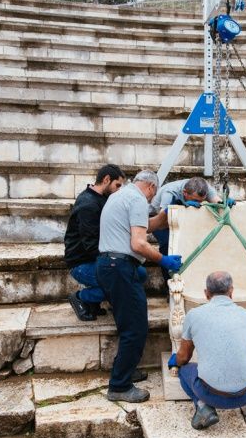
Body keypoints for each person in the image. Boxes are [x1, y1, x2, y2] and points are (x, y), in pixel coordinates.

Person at [97, 170, 183, 403]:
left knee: (128, 325)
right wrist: (163, 259)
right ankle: (119, 386)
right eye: (151, 197)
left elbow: (146, 226)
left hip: (109, 265)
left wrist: (165, 215)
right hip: (120, 267)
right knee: (135, 328)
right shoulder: (137, 199)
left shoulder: (121, 195)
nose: (150, 202)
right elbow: (138, 243)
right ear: (151, 188)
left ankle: (125, 370)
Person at [169, 271, 246, 430]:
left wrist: (175, 361)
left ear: (206, 293)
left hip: (211, 395)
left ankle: (203, 408)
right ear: (231, 292)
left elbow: (184, 356)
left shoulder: (194, 316)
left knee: (184, 370)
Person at [64, 164, 125, 322]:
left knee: (136, 274)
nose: (119, 190)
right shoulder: (88, 205)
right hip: (81, 264)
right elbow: (90, 245)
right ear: (106, 180)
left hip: (94, 259)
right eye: (117, 185)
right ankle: (81, 297)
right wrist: (113, 264)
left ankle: (93, 302)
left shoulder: (102, 198)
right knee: (122, 281)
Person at [148, 177, 226, 272]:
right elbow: (162, 220)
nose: (199, 203)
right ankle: (169, 280)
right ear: (185, 192)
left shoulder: (204, 188)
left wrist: (224, 204)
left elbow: (218, 202)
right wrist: (181, 206)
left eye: (202, 201)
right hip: (157, 219)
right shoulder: (169, 193)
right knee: (168, 247)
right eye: (196, 200)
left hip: (181, 217)